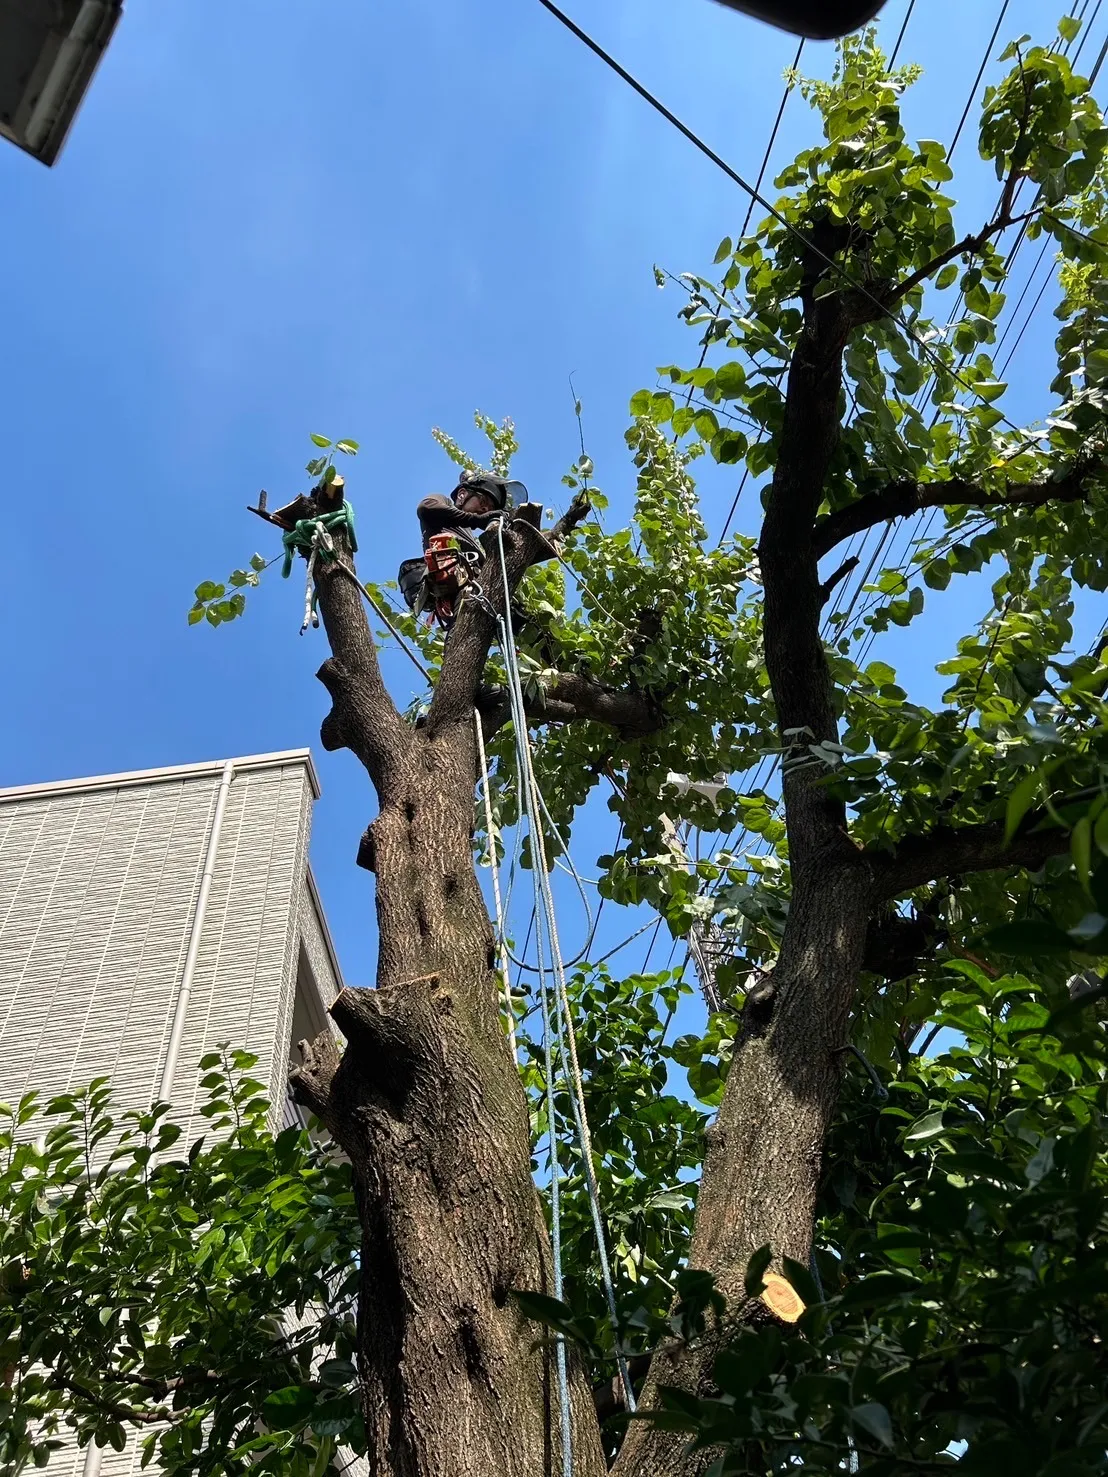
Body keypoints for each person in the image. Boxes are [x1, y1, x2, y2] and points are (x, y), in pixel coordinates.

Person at [398, 472, 525, 629]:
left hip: (482, 592)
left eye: (490, 509)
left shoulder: (471, 538)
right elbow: (426, 507)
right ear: (462, 494)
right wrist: (477, 520)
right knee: (459, 631)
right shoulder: (443, 506)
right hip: (459, 590)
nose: (485, 509)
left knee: (525, 620)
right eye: (483, 501)